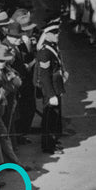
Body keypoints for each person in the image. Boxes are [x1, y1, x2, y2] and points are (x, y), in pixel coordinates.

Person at [35, 18, 67, 154]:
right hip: (50, 90)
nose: (57, 35)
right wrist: (51, 95)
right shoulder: (45, 52)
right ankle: (48, 146)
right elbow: (44, 76)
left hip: (56, 86)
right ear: (47, 34)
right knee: (49, 119)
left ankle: (52, 141)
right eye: (54, 33)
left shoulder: (52, 47)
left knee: (53, 118)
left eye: (57, 32)